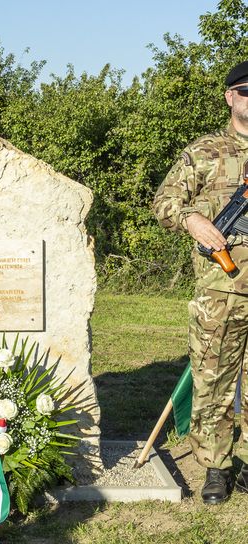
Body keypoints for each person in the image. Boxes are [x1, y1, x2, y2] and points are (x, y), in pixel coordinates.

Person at [154, 60, 248, 504]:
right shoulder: (206, 152)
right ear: (231, 96)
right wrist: (192, 219)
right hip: (220, 289)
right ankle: (216, 465)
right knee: (213, 378)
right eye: (246, 91)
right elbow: (164, 202)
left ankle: (245, 459)